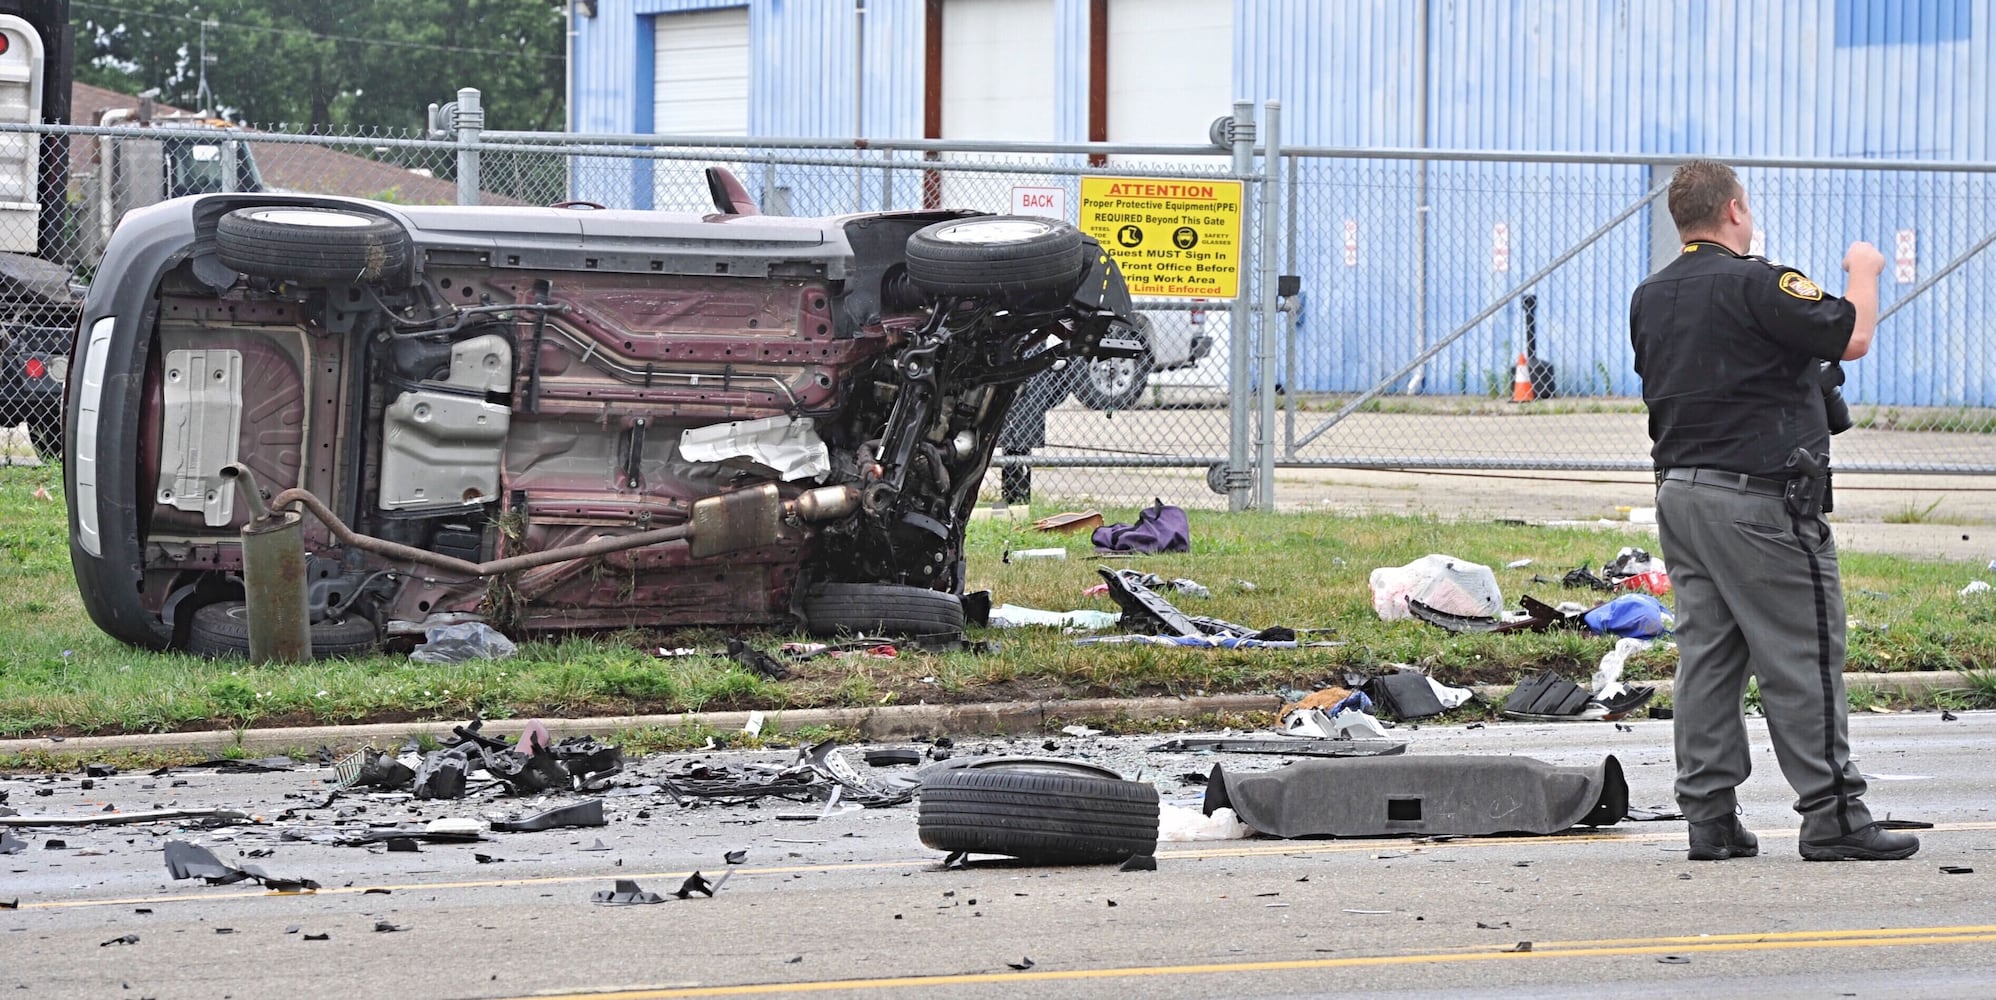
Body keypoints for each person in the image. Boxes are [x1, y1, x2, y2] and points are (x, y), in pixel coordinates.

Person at [1628, 160, 1916, 862]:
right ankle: (1835, 816)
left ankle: (1711, 817)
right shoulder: (1761, 282)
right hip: (1759, 502)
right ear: (1733, 210)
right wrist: (1864, 268)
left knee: (1709, 657)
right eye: (1747, 208)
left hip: (1680, 494)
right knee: (1802, 654)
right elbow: (1850, 335)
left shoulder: (1652, 295)